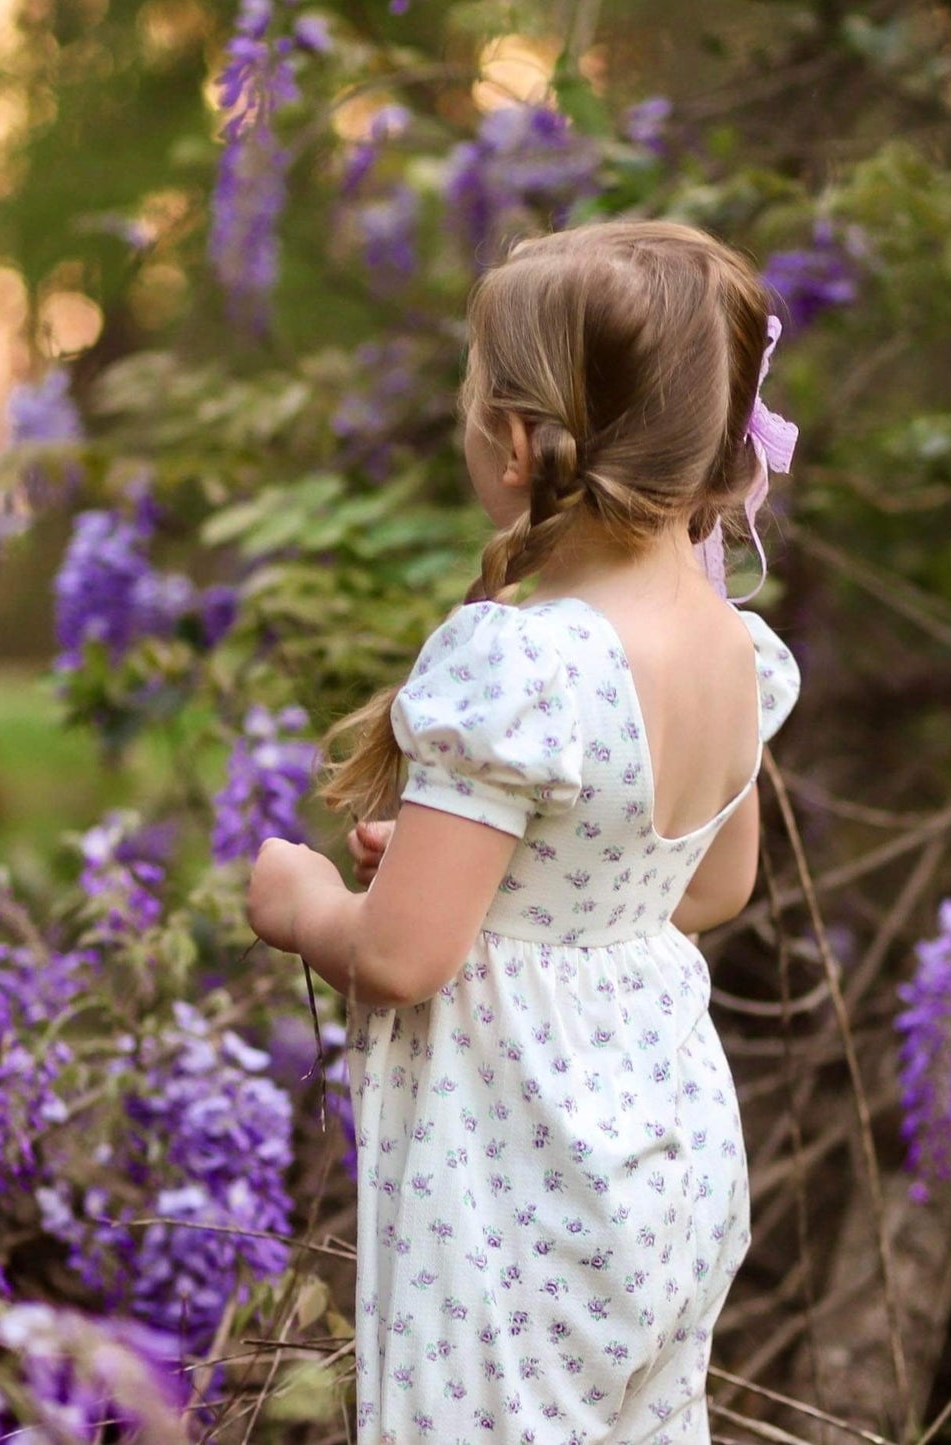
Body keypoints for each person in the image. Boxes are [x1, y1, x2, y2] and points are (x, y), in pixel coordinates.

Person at [247, 219, 801, 1443]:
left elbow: (400, 960)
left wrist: (300, 903)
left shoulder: (520, 659)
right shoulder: (729, 643)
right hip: (668, 1150)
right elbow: (708, 884)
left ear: (512, 437)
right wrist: (485, 883)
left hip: (521, 1158)